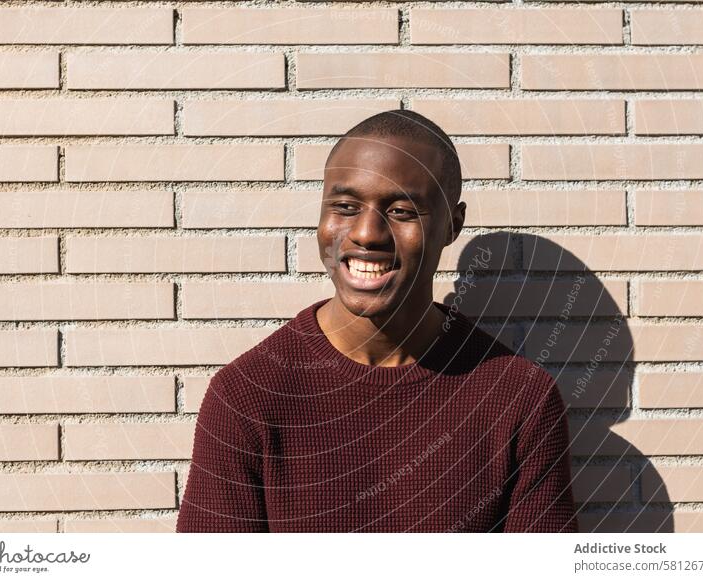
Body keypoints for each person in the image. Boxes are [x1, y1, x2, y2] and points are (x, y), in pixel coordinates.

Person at [176, 109, 578, 532]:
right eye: (346, 206)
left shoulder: (517, 399)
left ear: (451, 226)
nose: (367, 233)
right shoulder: (248, 396)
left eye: (403, 211)